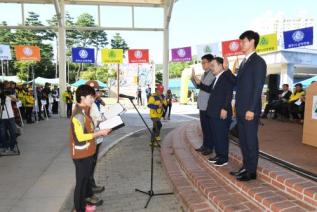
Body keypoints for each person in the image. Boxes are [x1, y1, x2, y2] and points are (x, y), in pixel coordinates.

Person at [230, 30, 267, 181]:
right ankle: (245, 167)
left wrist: (252, 109)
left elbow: (258, 87)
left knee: (250, 140)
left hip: (250, 110)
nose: (241, 44)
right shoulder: (245, 62)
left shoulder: (258, 62)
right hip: (241, 108)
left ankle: (251, 171)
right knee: (243, 140)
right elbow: (238, 84)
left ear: (252, 42)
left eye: (243, 41)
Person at [70, 84, 111, 212]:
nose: (93, 99)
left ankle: (81, 206)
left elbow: (89, 128)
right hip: (81, 154)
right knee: (81, 184)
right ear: (82, 97)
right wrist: (99, 133)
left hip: (87, 151)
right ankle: (78, 209)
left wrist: (101, 129)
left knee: (84, 181)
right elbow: (80, 136)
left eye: (93, 97)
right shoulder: (78, 114)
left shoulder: (83, 110)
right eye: (90, 97)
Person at [192, 57, 235, 166]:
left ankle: (223, 158)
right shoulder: (217, 78)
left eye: (213, 66)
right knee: (216, 135)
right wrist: (199, 83)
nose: (211, 68)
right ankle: (219, 155)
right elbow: (208, 89)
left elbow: (228, 93)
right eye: (210, 66)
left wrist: (225, 108)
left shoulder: (225, 76)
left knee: (221, 135)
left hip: (221, 111)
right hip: (213, 112)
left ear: (221, 66)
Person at [85, 80, 106, 198]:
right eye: (94, 91)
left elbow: (98, 116)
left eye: (97, 91)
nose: (97, 93)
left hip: (97, 137)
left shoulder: (94, 103)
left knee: (93, 164)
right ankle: (88, 192)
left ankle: (91, 185)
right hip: (91, 138)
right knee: (88, 165)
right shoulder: (84, 105)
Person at [191, 54, 215, 156]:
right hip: (202, 105)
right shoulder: (204, 74)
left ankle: (209, 147)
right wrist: (193, 78)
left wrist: (200, 83)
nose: (202, 65)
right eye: (202, 63)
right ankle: (205, 145)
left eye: (204, 62)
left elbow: (209, 89)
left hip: (208, 105)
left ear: (210, 63)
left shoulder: (213, 74)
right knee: (204, 127)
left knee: (209, 128)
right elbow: (199, 86)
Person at [0, 81, 18, 153]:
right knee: (2, 134)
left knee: (13, 133)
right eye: (5, 85)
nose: (6, 87)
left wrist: (8, 95)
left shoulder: (10, 92)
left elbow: (16, 100)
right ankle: (5, 147)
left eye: (7, 85)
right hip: (2, 117)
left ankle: (12, 147)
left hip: (10, 116)